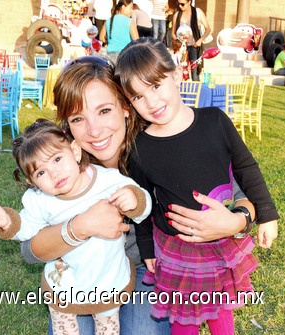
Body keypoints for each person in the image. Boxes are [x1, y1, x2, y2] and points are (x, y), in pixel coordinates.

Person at [19, 56, 258, 335]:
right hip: (82, 271)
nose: (94, 130)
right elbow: (30, 250)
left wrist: (237, 222)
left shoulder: (162, 142)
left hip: (150, 266)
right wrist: (80, 226)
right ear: (67, 126)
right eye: (78, 118)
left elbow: (241, 191)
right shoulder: (59, 165)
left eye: (104, 110)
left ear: (126, 108)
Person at [115, 38, 279, 335]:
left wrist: (266, 215)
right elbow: (143, 204)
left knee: (220, 315)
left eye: (155, 86)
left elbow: (245, 168)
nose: (151, 102)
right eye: (138, 97)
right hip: (175, 251)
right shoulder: (140, 148)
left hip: (219, 242)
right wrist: (146, 247)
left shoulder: (215, 122)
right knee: (183, 320)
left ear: (177, 74)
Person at [0, 118, 153, 335]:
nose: (54, 173)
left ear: (75, 151)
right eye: (40, 173)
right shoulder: (40, 200)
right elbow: (27, 227)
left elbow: (144, 207)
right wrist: (7, 222)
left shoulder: (109, 181)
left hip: (108, 280)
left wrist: (135, 200)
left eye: (57, 159)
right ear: (32, 182)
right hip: (65, 285)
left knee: (108, 328)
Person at [171, 0, 212, 81]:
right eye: (178, 4)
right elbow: (173, 33)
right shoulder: (177, 15)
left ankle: (196, 92)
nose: (180, 6)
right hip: (181, 48)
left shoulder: (198, 12)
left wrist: (200, 40)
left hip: (194, 46)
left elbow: (208, 29)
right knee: (180, 73)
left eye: (182, 4)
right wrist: (177, 43)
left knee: (195, 74)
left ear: (189, 2)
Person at [99, 0, 139, 64]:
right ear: (123, 7)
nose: (132, 11)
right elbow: (136, 41)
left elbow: (101, 37)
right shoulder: (130, 21)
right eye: (130, 8)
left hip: (110, 55)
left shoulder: (109, 20)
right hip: (125, 56)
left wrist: (112, 41)